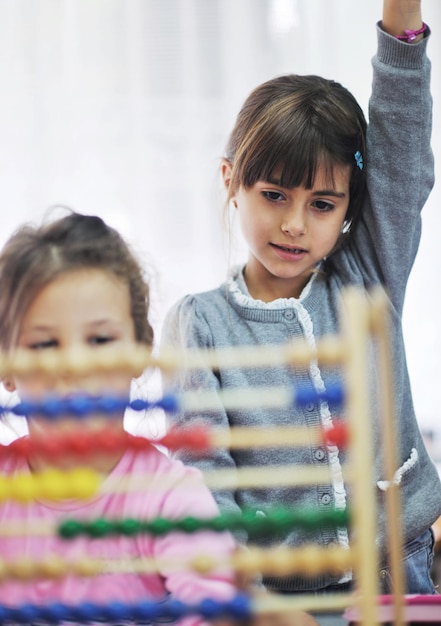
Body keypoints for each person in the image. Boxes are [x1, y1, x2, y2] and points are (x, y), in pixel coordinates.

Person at [161, 0, 441, 597]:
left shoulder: (368, 273)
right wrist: (246, 595)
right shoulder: (201, 324)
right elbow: (206, 475)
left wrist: (402, 21)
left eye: (321, 204)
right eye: (274, 194)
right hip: (281, 594)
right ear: (230, 181)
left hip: (401, 567)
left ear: (348, 209)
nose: (294, 224)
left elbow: (403, 149)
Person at [0, 211, 318, 626]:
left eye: (99, 339)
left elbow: (210, 605)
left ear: (141, 348)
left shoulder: (169, 496)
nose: (75, 366)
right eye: (44, 344)